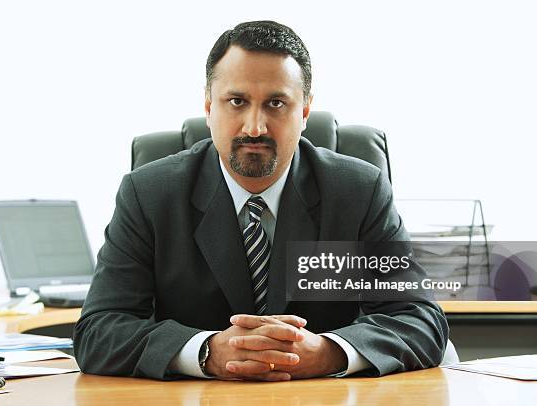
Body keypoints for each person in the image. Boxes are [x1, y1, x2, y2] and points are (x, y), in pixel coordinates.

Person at [73, 20, 449, 381]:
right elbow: (99, 331)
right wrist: (205, 352)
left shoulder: (358, 191)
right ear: (209, 107)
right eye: (236, 101)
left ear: (304, 111)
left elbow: (419, 320)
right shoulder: (149, 194)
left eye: (276, 104)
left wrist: (327, 352)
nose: (255, 127)